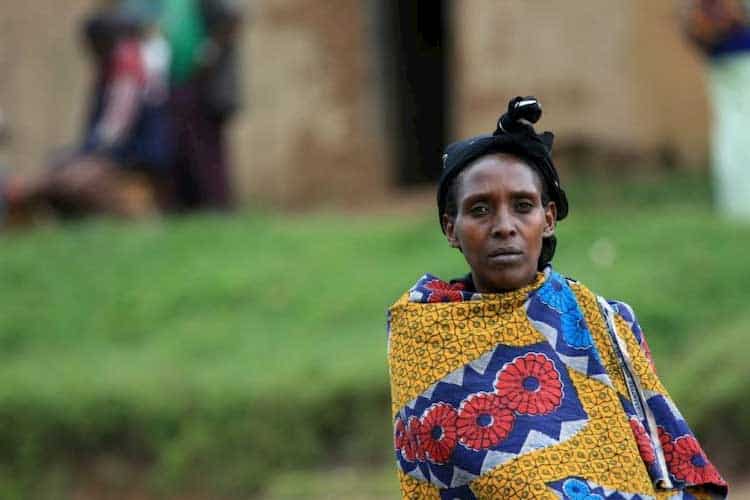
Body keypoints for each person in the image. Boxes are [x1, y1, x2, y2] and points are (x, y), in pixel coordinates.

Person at [386, 97, 728, 499]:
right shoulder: (424, 332)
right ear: (450, 228)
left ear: (547, 219)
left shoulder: (601, 320)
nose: (504, 226)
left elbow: (656, 451)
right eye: (480, 210)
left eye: (523, 206)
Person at [682, 0, 750, 218]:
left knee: (732, 126)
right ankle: (741, 205)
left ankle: (735, 204)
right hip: (738, 50)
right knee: (739, 128)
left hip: (726, 50)